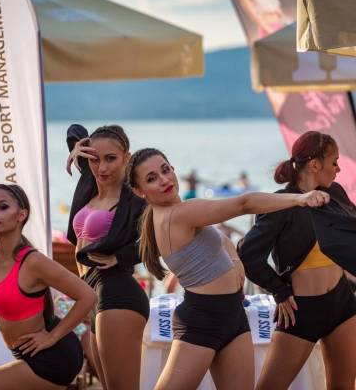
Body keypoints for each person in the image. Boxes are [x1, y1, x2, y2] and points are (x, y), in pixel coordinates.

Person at [127, 147, 329, 390]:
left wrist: (236, 261)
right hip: (203, 319)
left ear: (173, 169)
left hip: (233, 314)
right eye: (151, 178)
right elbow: (244, 203)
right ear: (139, 191)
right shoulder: (177, 214)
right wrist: (299, 199)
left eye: (165, 170)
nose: (164, 180)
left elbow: (223, 241)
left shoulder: (181, 212)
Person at [238, 131, 356, 390]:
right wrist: (280, 291)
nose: (338, 169)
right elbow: (247, 255)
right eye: (334, 162)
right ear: (314, 165)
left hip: (343, 303)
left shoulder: (335, 193)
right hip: (301, 311)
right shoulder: (280, 203)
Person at [0, 184, 96, 390]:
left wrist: (51, 337)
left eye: (2, 207)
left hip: (53, 358)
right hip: (26, 356)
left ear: (21, 214)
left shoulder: (33, 262)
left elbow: (88, 296)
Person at [66, 124, 149, 390]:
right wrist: (77, 149)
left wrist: (122, 258)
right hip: (91, 293)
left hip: (117, 292)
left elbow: (162, 236)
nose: (102, 167)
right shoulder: (91, 184)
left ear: (127, 157)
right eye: (95, 159)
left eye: (111, 159)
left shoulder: (136, 198)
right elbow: (74, 130)